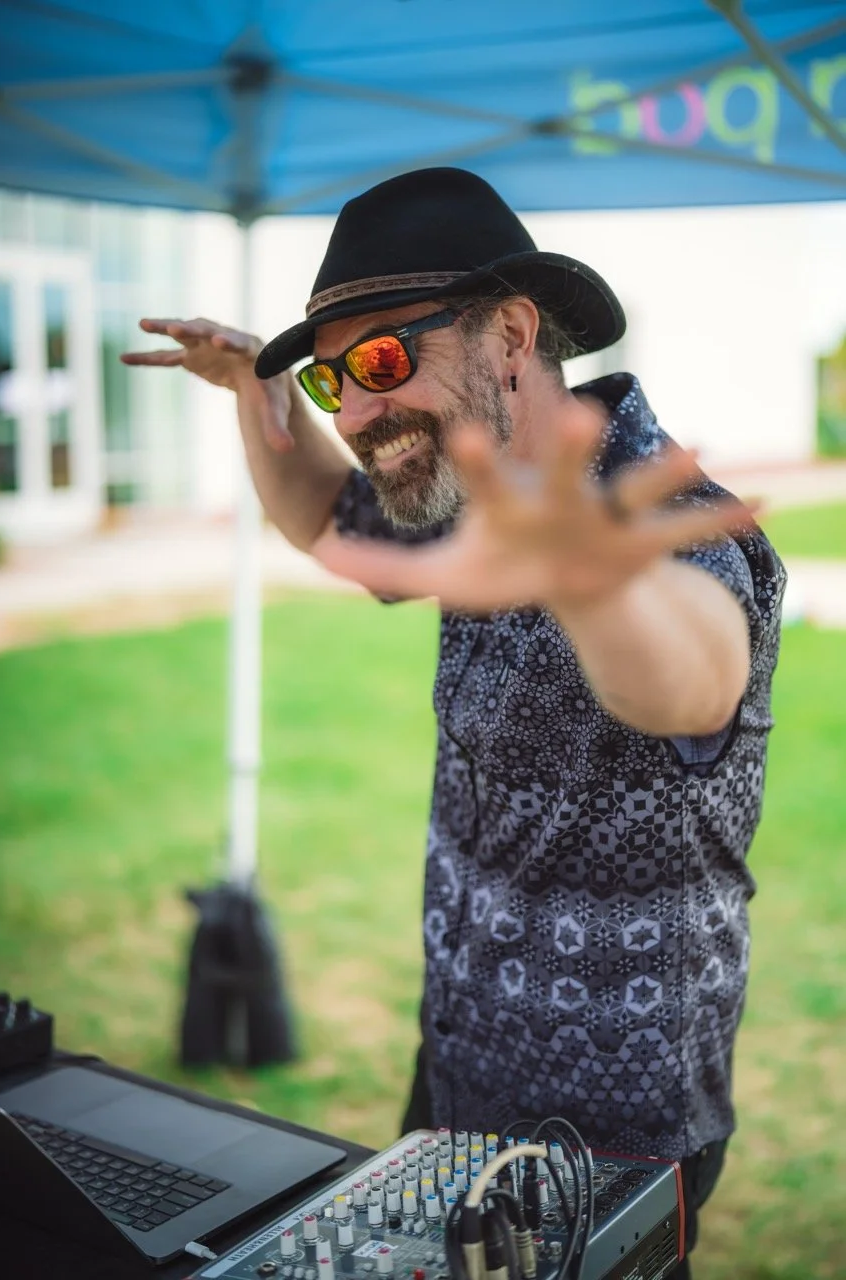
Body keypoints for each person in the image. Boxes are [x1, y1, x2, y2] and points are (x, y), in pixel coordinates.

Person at [123, 167, 785, 1277]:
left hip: (610, 1141)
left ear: (511, 335)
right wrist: (254, 388)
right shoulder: (470, 486)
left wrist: (584, 579)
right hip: (457, 1073)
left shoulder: (666, 526)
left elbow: (694, 683)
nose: (352, 411)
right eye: (331, 379)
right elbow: (327, 516)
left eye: (382, 360)